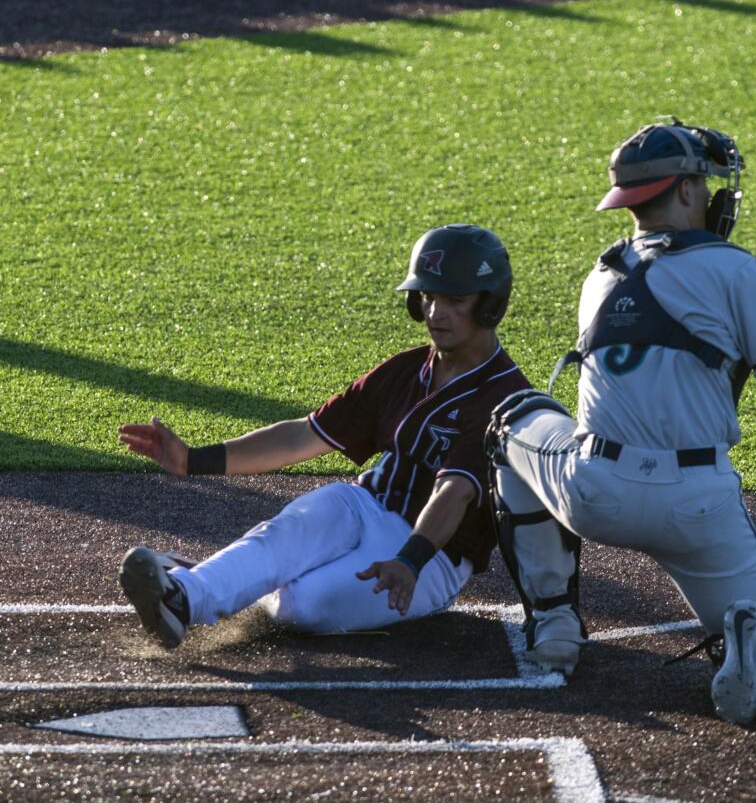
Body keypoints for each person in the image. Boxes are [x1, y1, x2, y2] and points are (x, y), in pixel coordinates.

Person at [480, 121, 756, 723]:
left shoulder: (600, 276)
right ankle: (754, 636)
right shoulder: (737, 271)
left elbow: (679, 346)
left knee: (511, 421)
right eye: (706, 181)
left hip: (595, 493)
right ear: (688, 191)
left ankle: (555, 620)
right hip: (697, 504)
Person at [115, 224, 573, 655]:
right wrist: (192, 460)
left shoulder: (504, 397)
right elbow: (304, 435)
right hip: (362, 504)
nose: (436, 312)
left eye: (454, 299)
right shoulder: (405, 368)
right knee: (289, 533)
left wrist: (410, 562)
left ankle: (196, 574)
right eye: (428, 297)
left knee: (307, 605)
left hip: (434, 556)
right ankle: (185, 598)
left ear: (490, 304)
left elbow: (453, 494)